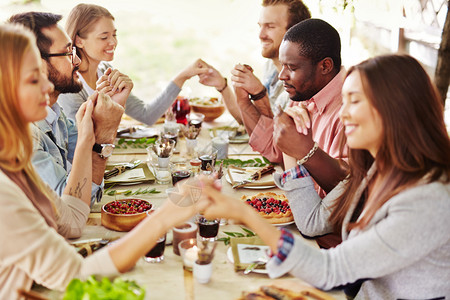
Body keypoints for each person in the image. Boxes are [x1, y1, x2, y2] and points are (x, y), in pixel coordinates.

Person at [198, 54, 450, 299]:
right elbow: (311, 223)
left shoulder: (426, 200)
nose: (343, 114)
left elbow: (330, 271)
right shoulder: (380, 170)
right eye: (344, 101)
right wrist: (290, 146)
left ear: (395, 108)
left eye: (355, 101)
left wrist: (243, 214)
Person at [0, 24, 204, 299]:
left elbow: (70, 221)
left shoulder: (14, 161)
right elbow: (74, 276)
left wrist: (89, 138)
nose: (48, 86)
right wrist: (166, 215)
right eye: (33, 79)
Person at [9, 12, 125, 206]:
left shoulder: (54, 113)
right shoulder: (22, 136)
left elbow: (86, 180)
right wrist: (104, 136)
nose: (78, 61)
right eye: (68, 53)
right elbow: (71, 206)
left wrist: (108, 107)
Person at [58, 3, 211, 124]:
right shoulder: (69, 84)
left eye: (114, 34)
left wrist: (182, 76)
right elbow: (78, 140)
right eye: (104, 37)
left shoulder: (107, 72)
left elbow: (146, 115)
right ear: (79, 41)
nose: (113, 42)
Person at [197, 0, 311, 124]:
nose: (261, 35)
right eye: (260, 26)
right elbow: (253, 121)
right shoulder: (271, 67)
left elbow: (275, 137)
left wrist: (259, 93)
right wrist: (222, 86)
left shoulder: (305, 84)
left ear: (295, 33)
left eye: (270, 27)